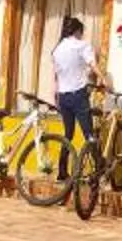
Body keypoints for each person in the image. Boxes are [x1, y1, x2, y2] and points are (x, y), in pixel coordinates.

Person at [50, 16, 102, 166]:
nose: (82, 36)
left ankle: (61, 170)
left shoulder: (57, 49)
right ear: (78, 31)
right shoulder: (82, 45)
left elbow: (56, 75)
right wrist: (103, 79)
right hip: (78, 95)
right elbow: (92, 64)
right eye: (81, 33)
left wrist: (55, 94)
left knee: (68, 134)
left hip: (63, 97)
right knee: (89, 134)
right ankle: (98, 165)